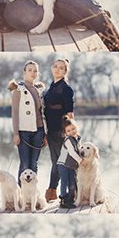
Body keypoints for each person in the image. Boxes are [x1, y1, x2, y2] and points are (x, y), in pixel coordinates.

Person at [43, 58, 75, 202]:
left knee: (63, 162)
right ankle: (53, 191)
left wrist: (70, 133)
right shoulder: (50, 87)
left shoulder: (66, 89)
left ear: (65, 71)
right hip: (51, 131)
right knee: (56, 162)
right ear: (52, 68)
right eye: (55, 66)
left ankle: (71, 193)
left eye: (61, 68)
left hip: (61, 132)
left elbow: (70, 114)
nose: (57, 69)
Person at [8, 63, 45, 182]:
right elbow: (15, 113)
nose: (33, 73)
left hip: (39, 131)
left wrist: (45, 133)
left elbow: (42, 114)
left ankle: (31, 193)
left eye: (35, 71)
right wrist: (15, 133)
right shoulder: (18, 90)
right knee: (25, 164)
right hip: (23, 132)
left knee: (34, 164)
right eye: (30, 70)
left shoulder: (39, 90)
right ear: (24, 72)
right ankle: (21, 193)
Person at [56, 114, 83, 207]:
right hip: (63, 164)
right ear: (65, 133)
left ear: (76, 127)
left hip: (71, 165)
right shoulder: (68, 140)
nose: (71, 132)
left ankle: (70, 199)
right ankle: (63, 200)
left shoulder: (77, 138)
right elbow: (71, 152)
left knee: (72, 181)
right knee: (64, 181)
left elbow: (78, 150)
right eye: (68, 131)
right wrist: (80, 161)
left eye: (73, 129)